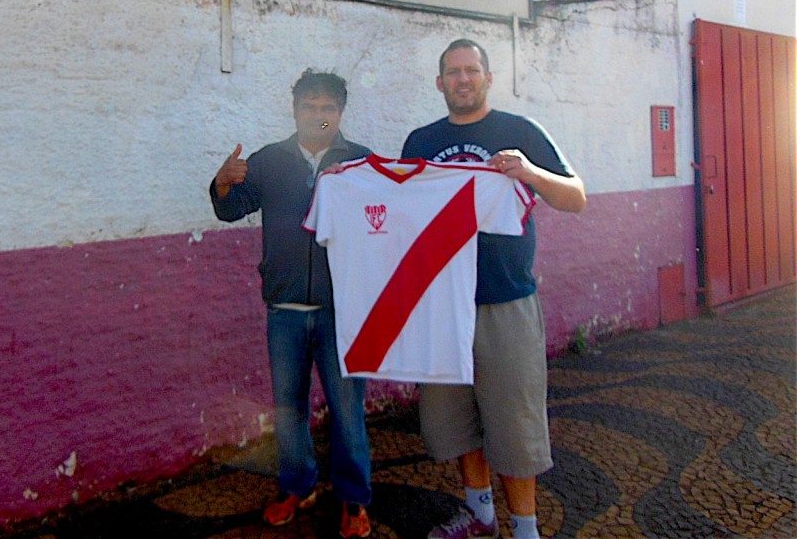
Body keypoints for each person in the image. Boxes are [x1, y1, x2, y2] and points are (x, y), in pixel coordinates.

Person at [401, 39, 586, 539]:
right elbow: (403, 214)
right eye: (452, 72)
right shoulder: (419, 142)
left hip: (505, 301)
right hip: (442, 304)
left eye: (471, 70)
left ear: (487, 78)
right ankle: (481, 517)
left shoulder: (519, 131)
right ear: (439, 83)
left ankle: (525, 531)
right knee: (457, 421)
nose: (462, 79)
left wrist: (527, 171)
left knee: (515, 426)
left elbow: (576, 196)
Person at [209, 69, 374, 539]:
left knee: (347, 410)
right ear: (294, 109)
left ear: (340, 113)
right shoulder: (268, 161)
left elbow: (386, 228)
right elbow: (230, 208)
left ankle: (354, 499)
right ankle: (298, 485)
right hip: (283, 309)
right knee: (288, 408)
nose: (318, 116)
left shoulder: (361, 163)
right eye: (309, 107)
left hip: (343, 313)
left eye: (327, 108)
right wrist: (222, 184)